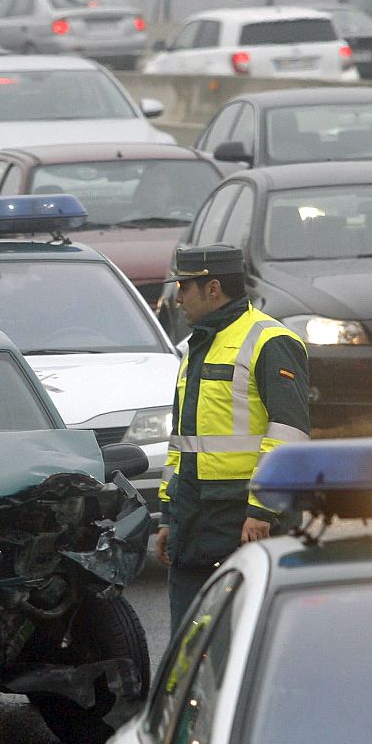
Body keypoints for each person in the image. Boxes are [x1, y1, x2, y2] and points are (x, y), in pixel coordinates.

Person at [156, 245, 310, 636]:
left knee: (250, 637)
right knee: (190, 644)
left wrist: (263, 510)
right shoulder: (199, 344)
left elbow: (289, 431)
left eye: (184, 287)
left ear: (213, 289)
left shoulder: (270, 340)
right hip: (194, 517)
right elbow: (183, 442)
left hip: (244, 519)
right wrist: (167, 516)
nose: (177, 297)